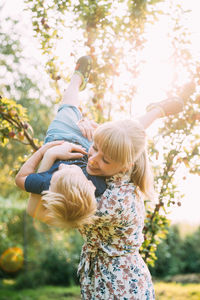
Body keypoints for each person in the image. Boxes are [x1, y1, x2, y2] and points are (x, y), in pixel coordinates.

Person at [15, 56, 184, 299]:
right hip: (117, 275)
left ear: (124, 164)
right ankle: (156, 109)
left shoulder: (105, 204)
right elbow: (129, 134)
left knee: (63, 120)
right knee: (87, 125)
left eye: (105, 159)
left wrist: (50, 152)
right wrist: (97, 135)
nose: (93, 160)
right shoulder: (123, 164)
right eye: (95, 148)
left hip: (116, 286)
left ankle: (85, 88)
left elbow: (35, 210)